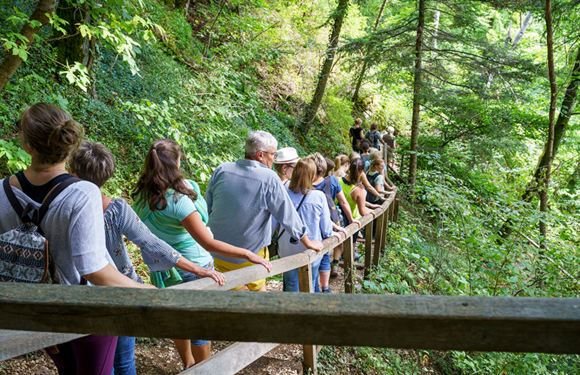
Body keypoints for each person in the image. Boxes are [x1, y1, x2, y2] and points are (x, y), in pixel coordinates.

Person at [0, 103, 154, 375]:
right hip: (87, 311)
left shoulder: (2, 192)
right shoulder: (83, 193)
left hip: (40, 310)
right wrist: (144, 291)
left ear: (27, 145)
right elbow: (93, 269)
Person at [69, 141, 226, 375]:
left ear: (72, 173)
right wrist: (197, 268)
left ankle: (189, 365)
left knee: (93, 365)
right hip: (124, 289)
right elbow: (153, 243)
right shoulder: (118, 209)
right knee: (124, 361)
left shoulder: (62, 206)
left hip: (78, 293)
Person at [132, 139, 272, 369]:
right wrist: (248, 254)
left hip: (164, 270)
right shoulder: (177, 201)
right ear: (177, 161)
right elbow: (208, 242)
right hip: (193, 269)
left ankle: (188, 365)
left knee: (179, 321)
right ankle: (203, 370)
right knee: (200, 326)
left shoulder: (140, 194)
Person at [205, 131, 323, 292]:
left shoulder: (222, 170)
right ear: (260, 155)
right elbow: (287, 215)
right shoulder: (269, 177)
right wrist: (308, 242)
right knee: (258, 291)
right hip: (251, 252)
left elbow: (208, 206)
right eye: (273, 154)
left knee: (233, 289)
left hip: (219, 250)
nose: (274, 159)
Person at [277, 159, 340, 292]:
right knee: (309, 282)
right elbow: (327, 230)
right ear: (312, 176)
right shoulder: (319, 196)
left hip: (287, 248)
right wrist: (332, 232)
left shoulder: (283, 194)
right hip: (311, 247)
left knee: (291, 284)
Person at [307, 153, 357, 292]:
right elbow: (343, 202)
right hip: (331, 216)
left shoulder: (307, 181)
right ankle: (326, 285)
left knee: (314, 251)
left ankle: (315, 287)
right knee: (325, 251)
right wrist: (351, 219)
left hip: (312, 220)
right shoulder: (333, 181)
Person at [333, 159, 381, 270]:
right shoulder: (359, 189)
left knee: (339, 241)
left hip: (338, 216)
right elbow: (362, 211)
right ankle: (349, 270)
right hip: (351, 219)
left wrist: (371, 206)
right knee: (350, 243)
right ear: (362, 171)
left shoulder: (338, 180)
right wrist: (372, 211)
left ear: (349, 167)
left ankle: (335, 264)